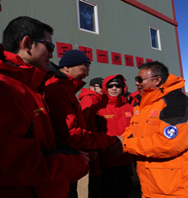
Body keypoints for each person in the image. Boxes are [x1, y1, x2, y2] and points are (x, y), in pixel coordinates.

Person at [0, 16, 88, 197]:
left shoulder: (31, 86)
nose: (52, 55)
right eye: (48, 47)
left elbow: (46, 141)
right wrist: (77, 162)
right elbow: (15, 163)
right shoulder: (6, 87)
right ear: (27, 43)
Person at [113, 61, 188, 197]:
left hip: (178, 186)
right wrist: (120, 140)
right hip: (154, 181)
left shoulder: (176, 103)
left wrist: (126, 145)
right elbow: (134, 127)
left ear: (157, 80)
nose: (136, 83)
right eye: (136, 80)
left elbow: (169, 143)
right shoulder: (145, 104)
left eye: (140, 79)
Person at [44, 50, 120, 198]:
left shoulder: (67, 89)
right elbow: (70, 133)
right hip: (65, 158)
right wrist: (111, 141)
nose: (87, 73)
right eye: (84, 68)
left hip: (75, 156)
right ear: (67, 67)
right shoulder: (57, 89)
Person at [97, 75, 134, 198]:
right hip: (108, 160)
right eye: (110, 86)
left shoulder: (129, 108)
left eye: (117, 85)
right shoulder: (99, 108)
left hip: (128, 158)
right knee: (109, 192)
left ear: (123, 88)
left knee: (125, 191)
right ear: (105, 88)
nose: (114, 88)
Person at [78, 77, 106, 198]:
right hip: (91, 143)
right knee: (93, 180)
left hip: (96, 142)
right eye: (100, 87)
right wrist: (91, 147)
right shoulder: (89, 99)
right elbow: (87, 123)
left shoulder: (97, 99)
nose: (103, 89)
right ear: (92, 88)